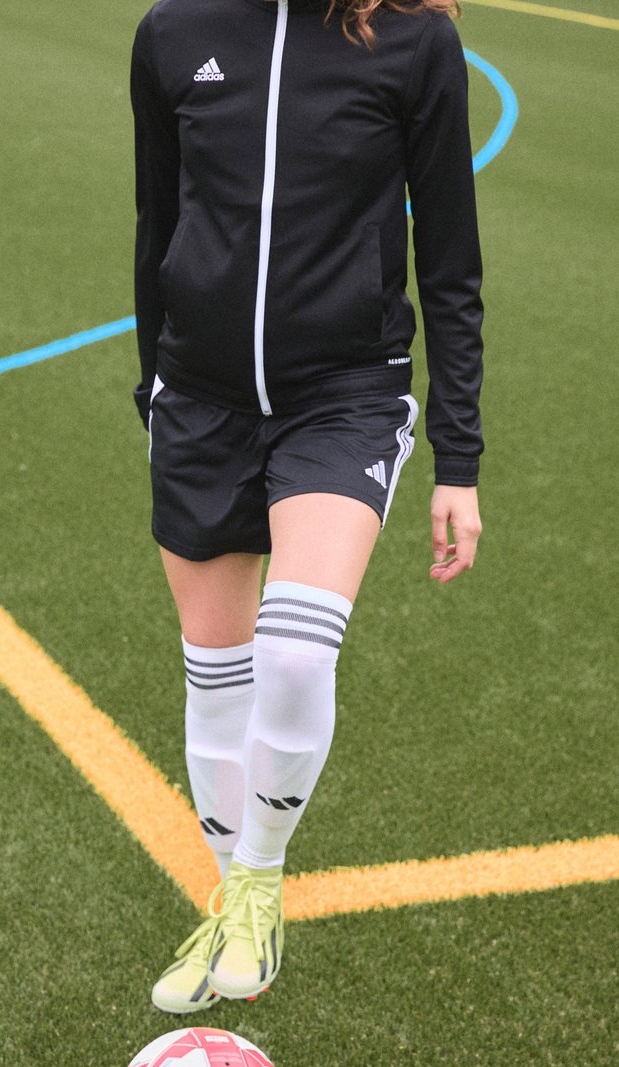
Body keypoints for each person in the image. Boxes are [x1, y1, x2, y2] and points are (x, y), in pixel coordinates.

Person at [130, 0, 484, 1014]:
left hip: (345, 393)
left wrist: (455, 459)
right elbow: (159, 218)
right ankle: (229, 895)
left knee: (292, 652)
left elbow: (449, 262)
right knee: (215, 673)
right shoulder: (170, 32)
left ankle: (257, 885)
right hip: (196, 399)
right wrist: (148, 387)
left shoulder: (413, 38)